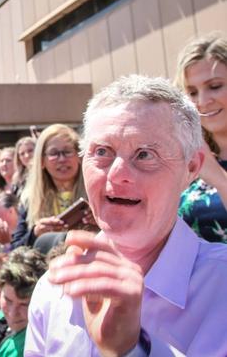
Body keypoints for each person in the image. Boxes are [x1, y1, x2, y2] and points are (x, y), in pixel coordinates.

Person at [25, 75, 227, 356]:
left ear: (191, 168)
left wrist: (131, 349)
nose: (117, 174)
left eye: (145, 155)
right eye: (102, 152)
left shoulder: (221, 286)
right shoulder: (52, 291)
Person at [176, 33, 227, 243]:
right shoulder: (190, 159)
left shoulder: (208, 167)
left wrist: (215, 175)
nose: (203, 101)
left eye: (215, 86)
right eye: (192, 92)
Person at [11, 124, 89, 251]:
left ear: (78, 156)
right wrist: (35, 234)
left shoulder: (96, 193)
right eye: (54, 153)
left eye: (67, 152)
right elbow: (15, 249)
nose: (62, 159)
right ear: (42, 161)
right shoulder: (29, 199)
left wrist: (98, 224)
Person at [0, 247, 47, 357]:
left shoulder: (30, 347)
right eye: (8, 300)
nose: (13, 314)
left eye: (24, 305)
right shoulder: (3, 316)